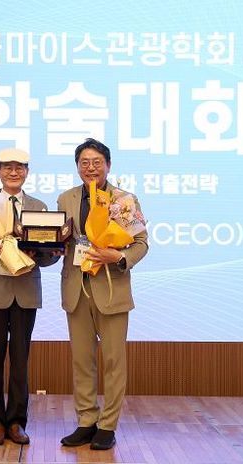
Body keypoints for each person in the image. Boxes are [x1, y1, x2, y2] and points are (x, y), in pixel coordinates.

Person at [57, 138, 148, 450]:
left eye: (97, 162)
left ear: (108, 165)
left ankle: (107, 425)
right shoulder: (66, 198)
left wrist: (118, 257)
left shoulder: (124, 200)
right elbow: (63, 240)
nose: (91, 168)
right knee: (82, 361)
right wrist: (52, 243)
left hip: (111, 287)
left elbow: (141, 243)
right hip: (76, 288)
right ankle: (86, 421)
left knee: (113, 362)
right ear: (77, 167)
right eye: (84, 162)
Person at [0, 148, 58, 446]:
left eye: (19, 167)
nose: (13, 172)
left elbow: (49, 255)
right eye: (7, 167)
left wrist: (43, 252)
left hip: (26, 291)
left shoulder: (39, 207)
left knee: (20, 361)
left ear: (27, 172)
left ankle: (17, 422)